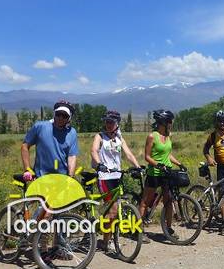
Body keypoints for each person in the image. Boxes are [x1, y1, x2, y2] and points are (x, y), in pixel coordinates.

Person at [90, 110, 142, 253]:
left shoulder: (120, 138)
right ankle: (106, 242)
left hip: (117, 176)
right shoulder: (100, 136)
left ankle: (108, 236)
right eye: (106, 122)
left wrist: (137, 167)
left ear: (117, 124)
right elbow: (93, 151)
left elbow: (129, 154)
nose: (108, 124)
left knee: (115, 209)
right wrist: (99, 163)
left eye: (111, 122)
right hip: (104, 177)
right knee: (112, 209)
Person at [140, 109, 186, 242]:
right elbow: (147, 157)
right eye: (170, 122)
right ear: (163, 122)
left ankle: (168, 228)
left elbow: (168, 154)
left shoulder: (168, 136)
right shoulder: (152, 136)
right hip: (154, 173)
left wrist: (179, 163)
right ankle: (139, 230)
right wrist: (157, 165)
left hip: (167, 172)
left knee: (168, 201)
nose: (171, 124)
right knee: (145, 202)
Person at [21, 100, 79, 180]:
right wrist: (27, 169)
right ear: (54, 114)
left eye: (64, 116)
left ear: (69, 118)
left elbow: (72, 156)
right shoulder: (40, 127)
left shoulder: (72, 132)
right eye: (58, 114)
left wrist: (70, 177)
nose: (61, 118)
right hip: (40, 178)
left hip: (62, 178)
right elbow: (25, 145)